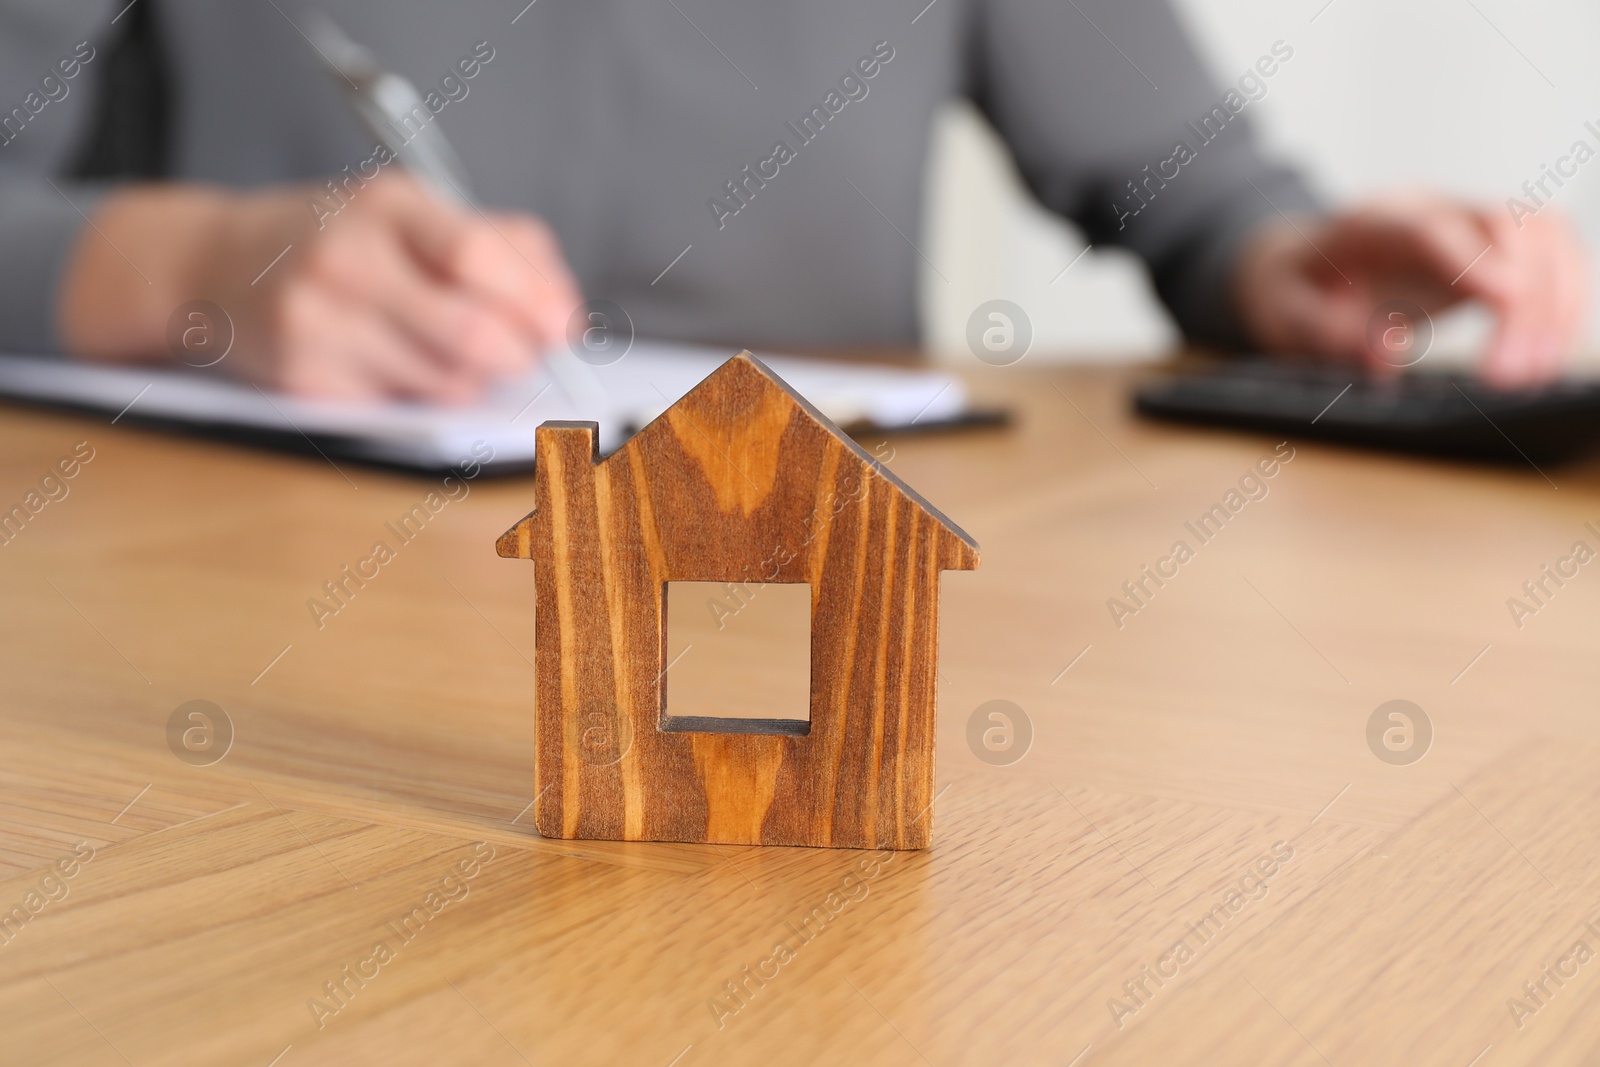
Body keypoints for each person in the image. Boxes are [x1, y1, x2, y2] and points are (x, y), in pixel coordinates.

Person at [0, 0, 1587, 402]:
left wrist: (1283, 263)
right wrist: (185, 264)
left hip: (793, 552)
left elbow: (1193, 193)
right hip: (213, 590)